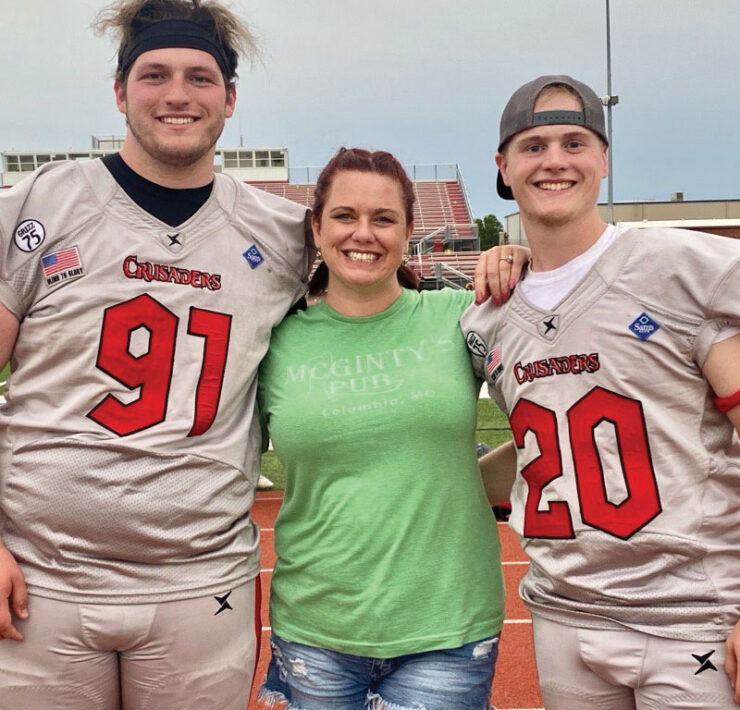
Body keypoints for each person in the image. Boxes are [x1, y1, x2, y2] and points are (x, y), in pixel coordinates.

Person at [0, 1, 316, 707]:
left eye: (201, 78)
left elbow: (388, 299)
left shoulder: (285, 235)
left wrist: (506, 261)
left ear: (230, 99)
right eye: (155, 75)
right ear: (119, 90)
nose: (178, 94)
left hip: (200, 580)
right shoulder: (44, 203)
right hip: (41, 576)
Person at [462, 74, 740, 709]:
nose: (555, 160)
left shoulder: (680, 266)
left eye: (574, 142)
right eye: (533, 146)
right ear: (503, 167)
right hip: (564, 613)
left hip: (692, 614)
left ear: (604, 160)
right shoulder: (486, 317)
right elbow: (548, 445)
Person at [257, 147, 516, 710]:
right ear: (316, 227)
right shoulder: (273, 340)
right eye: (346, 216)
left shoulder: (459, 315)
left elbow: (565, 393)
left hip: (447, 626)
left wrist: (525, 258)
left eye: (383, 219)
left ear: (408, 231)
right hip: (316, 626)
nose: (364, 234)